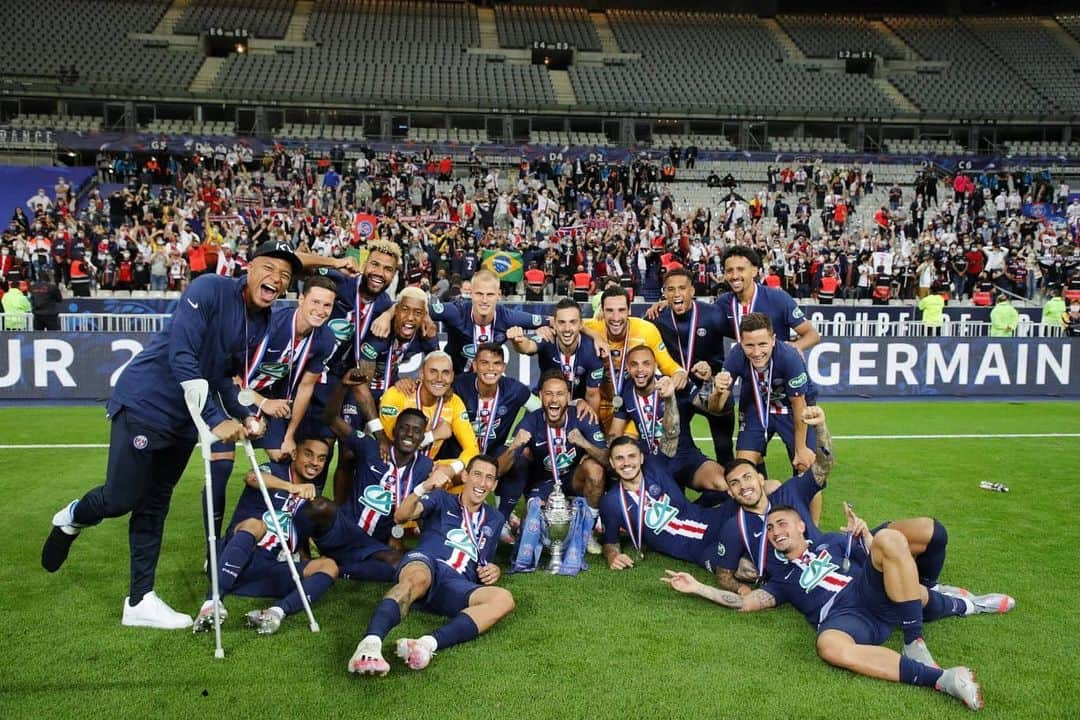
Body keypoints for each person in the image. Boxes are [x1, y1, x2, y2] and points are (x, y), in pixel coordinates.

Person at [42, 240, 302, 629]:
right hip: (147, 403)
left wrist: (246, 413)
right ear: (248, 268)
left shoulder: (261, 322)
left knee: (155, 504)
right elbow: (182, 354)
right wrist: (216, 419)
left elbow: (222, 379)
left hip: (185, 420)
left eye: (284, 276)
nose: (276, 280)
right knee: (121, 497)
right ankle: (73, 517)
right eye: (269, 268)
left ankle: (139, 600)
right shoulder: (209, 289)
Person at [662, 504, 1015, 711]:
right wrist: (698, 589)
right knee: (827, 645)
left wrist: (864, 537)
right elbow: (744, 601)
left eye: (781, 523)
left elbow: (888, 555)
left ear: (802, 525)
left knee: (892, 543)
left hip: (867, 591)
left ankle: (947, 619)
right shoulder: (781, 576)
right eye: (769, 529)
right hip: (845, 618)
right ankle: (944, 679)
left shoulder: (834, 542)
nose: (774, 531)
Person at [348, 455, 514, 675]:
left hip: (456, 583)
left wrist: (494, 569)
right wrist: (422, 488)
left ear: (494, 485)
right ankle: (370, 644)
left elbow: (483, 558)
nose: (482, 483)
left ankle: (426, 644)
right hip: (427, 562)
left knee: (504, 599)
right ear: (465, 476)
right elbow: (400, 516)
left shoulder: (495, 518)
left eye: (489, 478)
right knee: (419, 578)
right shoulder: (441, 498)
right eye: (477, 474)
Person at [203, 275, 338, 537]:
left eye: (327, 306)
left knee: (283, 456)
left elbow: (306, 388)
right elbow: (226, 374)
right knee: (220, 467)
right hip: (225, 392)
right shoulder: (269, 324)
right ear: (301, 299)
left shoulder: (324, 340)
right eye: (316, 302)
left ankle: (284, 532)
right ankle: (215, 544)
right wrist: (263, 403)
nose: (321, 311)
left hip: (261, 398)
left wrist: (289, 436)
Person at [192, 437, 340, 635]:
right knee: (255, 525)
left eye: (321, 458)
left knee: (329, 565)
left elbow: (303, 538)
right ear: (295, 454)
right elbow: (252, 477)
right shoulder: (274, 470)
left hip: (267, 570)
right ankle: (212, 602)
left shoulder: (312, 497)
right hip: (232, 559)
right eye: (308, 454)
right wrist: (291, 488)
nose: (315, 462)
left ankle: (275, 613)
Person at [600, 437, 748, 573]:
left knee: (768, 494)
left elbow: (671, 436)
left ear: (641, 458)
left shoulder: (655, 466)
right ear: (612, 463)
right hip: (699, 549)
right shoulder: (611, 503)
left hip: (715, 519)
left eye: (632, 456)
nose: (626, 463)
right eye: (619, 458)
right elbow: (610, 542)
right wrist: (613, 556)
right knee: (743, 568)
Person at [499, 370, 609, 551]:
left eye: (559, 394)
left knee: (595, 469)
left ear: (568, 396)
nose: (554, 400)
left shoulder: (582, 417)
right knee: (533, 538)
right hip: (543, 482)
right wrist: (513, 447)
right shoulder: (530, 421)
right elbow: (500, 470)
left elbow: (607, 461)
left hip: (573, 479)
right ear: (541, 396)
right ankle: (516, 518)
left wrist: (584, 444)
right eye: (549, 394)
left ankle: (586, 532)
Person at [606, 345, 728, 498]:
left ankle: (697, 511)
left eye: (646, 363)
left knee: (723, 484)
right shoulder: (625, 391)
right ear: (628, 369)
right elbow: (615, 433)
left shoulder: (675, 384)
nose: (640, 370)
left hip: (685, 456)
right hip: (652, 463)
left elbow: (708, 406)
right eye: (634, 365)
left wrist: (709, 382)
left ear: (655, 366)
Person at [712, 312, 819, 486]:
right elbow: (716, 408)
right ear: (740, 343)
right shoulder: (735, 356)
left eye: (762, 344)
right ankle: (761, 508)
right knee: (743, 470)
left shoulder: (789, 357)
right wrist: (717, 392)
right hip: (756, 405)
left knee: (807, 468)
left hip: (791, 409)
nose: (756, 352)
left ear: (773, 339)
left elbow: (799, 404)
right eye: (749, 345)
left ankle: (809, 515)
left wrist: (801, 449)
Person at [650, 268, 736, 464]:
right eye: (670, 289)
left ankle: (730, 489)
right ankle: (677, 490)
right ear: (664, 293)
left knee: (724, 449)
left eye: (682, 288)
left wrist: (715, 368)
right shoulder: (656, 317)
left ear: (692, 291)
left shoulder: (713, 314)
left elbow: (743, 341)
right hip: (678, 390)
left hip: (709, 387)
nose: (677, 294)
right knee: (673, 449)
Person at [584, 286, 688, 431]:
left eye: (621, 310)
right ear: (602, 310)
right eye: (609, 310)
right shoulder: (592, 327)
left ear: (629, 310)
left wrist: (679, 372)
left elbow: (668, 365)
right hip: (597, 405)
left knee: (626, 450)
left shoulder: (646, 330)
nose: (615, 317)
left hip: (630, 407)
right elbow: (563, 323)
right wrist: (594, 335)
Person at [376, 351, 479, 485]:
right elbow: (394, 445)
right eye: (433, 371)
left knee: (469, 475)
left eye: (445, 373)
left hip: (425, 468)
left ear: (452, 377)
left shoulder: (454, 402)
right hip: (389, 465)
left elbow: (472, 448)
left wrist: (451, 469)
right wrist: (433, 435)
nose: (439, 378)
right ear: (422, 374)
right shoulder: (398, 394)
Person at [421, 269, 547, 373]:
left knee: (530, 402)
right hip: (455, 383)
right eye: (479, 294)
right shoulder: (457, 312)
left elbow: (549, 320)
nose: (484, 300)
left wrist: (546, 328)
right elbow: (419, 310)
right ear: (470, 294)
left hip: (490, 381)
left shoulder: (506, 316)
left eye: (490, 294)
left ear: (499, 295)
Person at [509, 297, 604, 417]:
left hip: (577, 405)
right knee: (523, 432)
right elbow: (527, 347)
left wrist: (590, 426)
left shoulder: (592, 350)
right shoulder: (547, 338)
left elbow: (592, 395)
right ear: (554, 323)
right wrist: (516, 341)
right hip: (546, 402)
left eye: (572, 322)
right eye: (562, 322)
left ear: (581, 324)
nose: (567, 329)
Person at [714, 246, 820, 352]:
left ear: (754, 271)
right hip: (739, 367)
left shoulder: (778, 298)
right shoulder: (721, 304)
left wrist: (793, 348)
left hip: (776, 367)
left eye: (741, 269)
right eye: (729, 271)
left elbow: (812, 335)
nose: (734, 276)